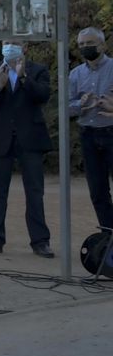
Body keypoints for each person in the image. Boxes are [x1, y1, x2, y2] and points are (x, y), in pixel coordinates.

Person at [0, 38, 53, 257]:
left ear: (25, 48)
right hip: (1, 139)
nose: (10, 46)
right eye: (7, 42)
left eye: (16, 43)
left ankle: (40, 241)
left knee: (34, 192)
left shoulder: (38, 70)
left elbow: (43, 95)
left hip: (30, 139)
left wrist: (23, 76)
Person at [69, 27, 113, 234]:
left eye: (90, 43)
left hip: (111, 132)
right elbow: (66, 106)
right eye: (82, 45)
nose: (86, 48)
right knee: (97, 191)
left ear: (102, 45)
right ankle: (109, 237)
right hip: (88, 135)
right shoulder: (75, 74)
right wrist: (81, 104)